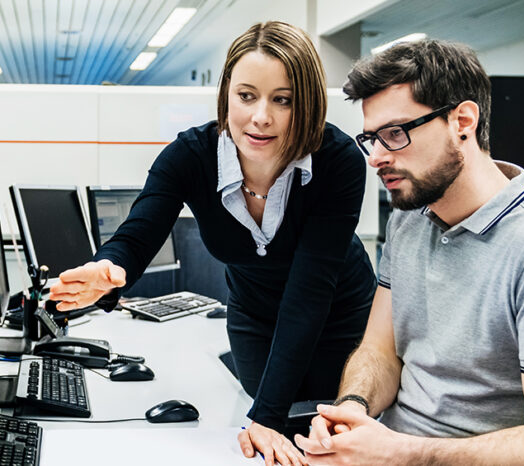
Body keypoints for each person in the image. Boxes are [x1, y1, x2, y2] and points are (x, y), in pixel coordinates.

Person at [49, 21, 376, 466]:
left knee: (326, 431)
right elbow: (142, 227)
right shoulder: (192, 154)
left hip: (340, 314)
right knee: (263, 427)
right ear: (226, 95)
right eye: (246, 96)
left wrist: (268, 415)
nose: (260, 117)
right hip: (253, 316)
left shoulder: (337, 160)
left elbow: (311, 289)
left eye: (283, 100)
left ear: (309, 104)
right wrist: (111, 268)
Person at [294, 39, 524, 465]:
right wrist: (351, 409)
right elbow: (379, 351)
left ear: (462, 121)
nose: (377, 157)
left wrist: (402, 453)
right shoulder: (408, 220)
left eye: (395, 133)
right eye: (372, 138)